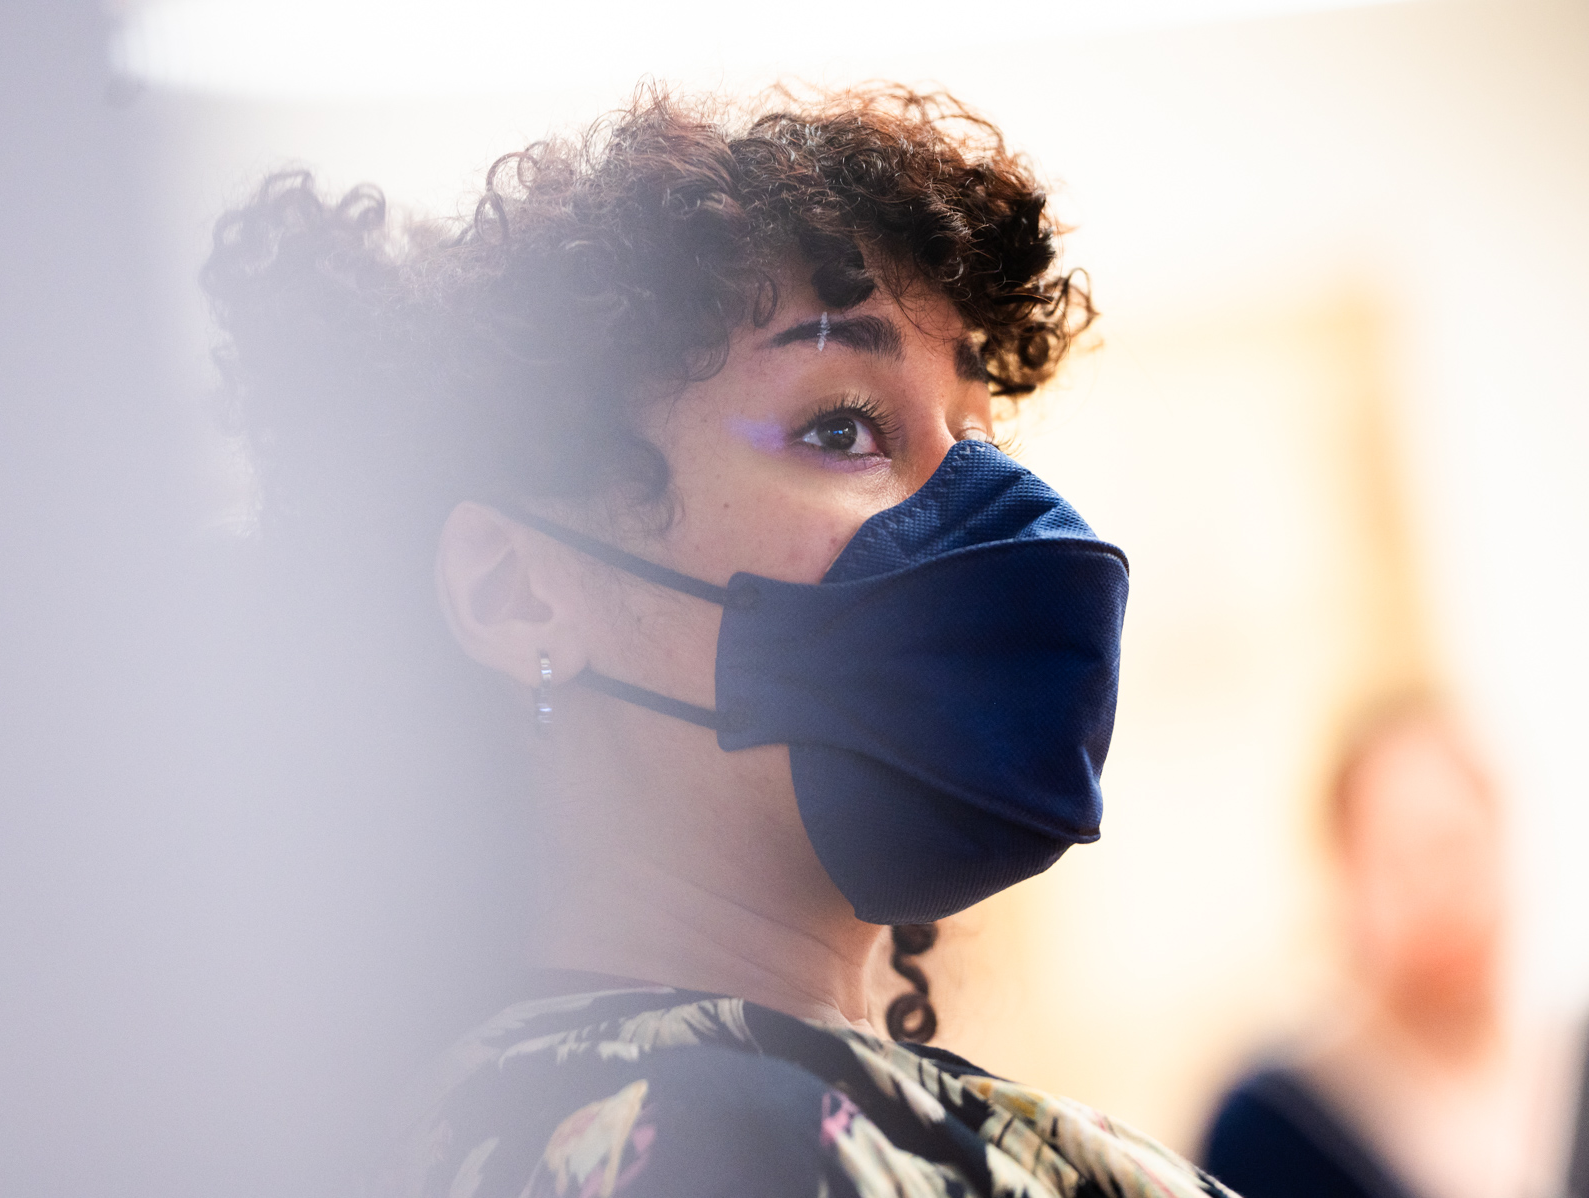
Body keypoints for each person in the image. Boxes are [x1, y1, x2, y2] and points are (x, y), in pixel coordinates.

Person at [205, 84, 1229, 1198]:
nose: (1008, 507)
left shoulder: (687, 1110)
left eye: (975, 431)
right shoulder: (709, 1144)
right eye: (842, 427)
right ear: (518, 594)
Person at [1202, 699, 1576, 1198]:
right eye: (1400, 865)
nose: (1439, 893)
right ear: (1345, 883)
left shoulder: (1572, 1069)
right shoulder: (1271, 1131)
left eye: (1456, 847)